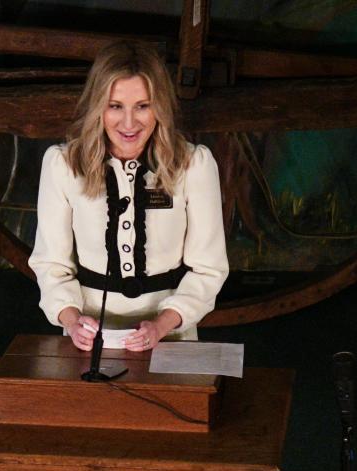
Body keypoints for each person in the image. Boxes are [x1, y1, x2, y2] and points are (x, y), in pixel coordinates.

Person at [28, 40, 229, 352]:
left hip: (171, 336)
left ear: (160, 106)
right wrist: (71, 320)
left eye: (143, 106)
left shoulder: (194, 165)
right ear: (98, 106)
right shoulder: (63, 164)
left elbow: (209, 268)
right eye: (115, 106)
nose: (129, 123)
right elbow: (51, 264)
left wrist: (163, 325)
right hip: (88, 337)